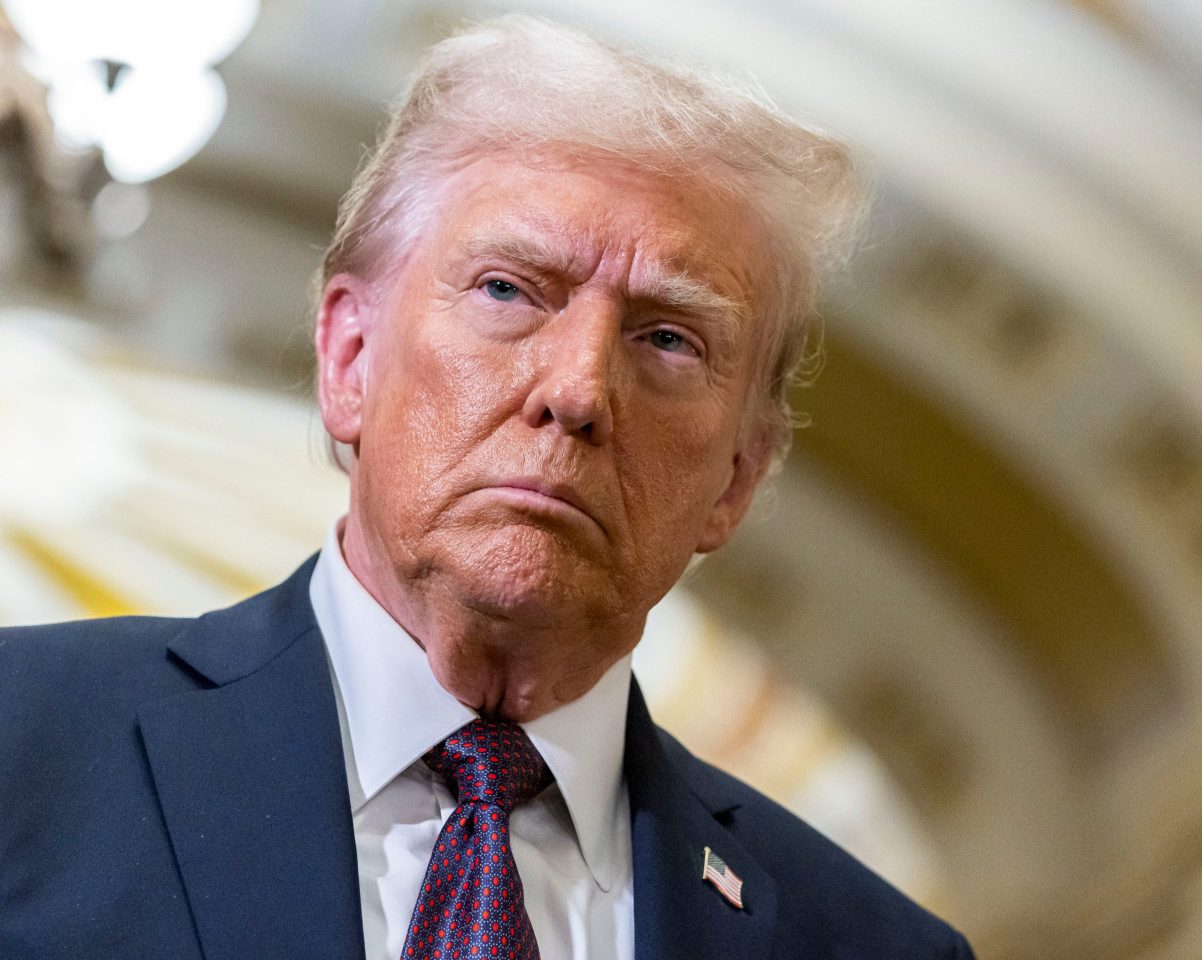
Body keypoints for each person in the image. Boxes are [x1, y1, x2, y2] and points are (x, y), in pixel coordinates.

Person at [0, 15, 974, 960]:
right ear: (349, 356)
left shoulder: (865, 944)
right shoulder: (26, 739)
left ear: (737, 478)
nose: (579, 390)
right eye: (509, 290)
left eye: (669, 339)